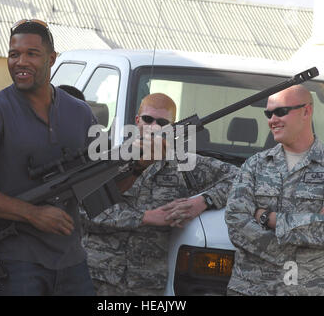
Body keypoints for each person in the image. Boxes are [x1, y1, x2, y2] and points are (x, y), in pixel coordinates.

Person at [0, 19, 97, 296]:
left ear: (51, 59)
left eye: (31, 54)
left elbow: (100, 185)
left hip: (71, 261)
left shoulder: (81, 113)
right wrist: (31, 214)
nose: (20, 61)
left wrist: (138, 165)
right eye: (14, 54)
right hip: (12, 261)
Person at [81, 92, 239, 295]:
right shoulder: (108, 161)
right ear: (137, 121)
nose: (153, 127)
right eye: (148, 119)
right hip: (97, 278)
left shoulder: (186, 166)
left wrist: (203, 201)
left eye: (162, 122)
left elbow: (241, 179)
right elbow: (83, 211)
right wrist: (144, 218)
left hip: (145, 285)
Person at [225, 85, 324, 296]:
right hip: (251, 289)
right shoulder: (255, 165)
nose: (272, 119)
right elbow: (236, 223)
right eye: (268, 113)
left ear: (306, 111)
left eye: (281, 111)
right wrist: (311, 224)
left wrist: (267, 217)